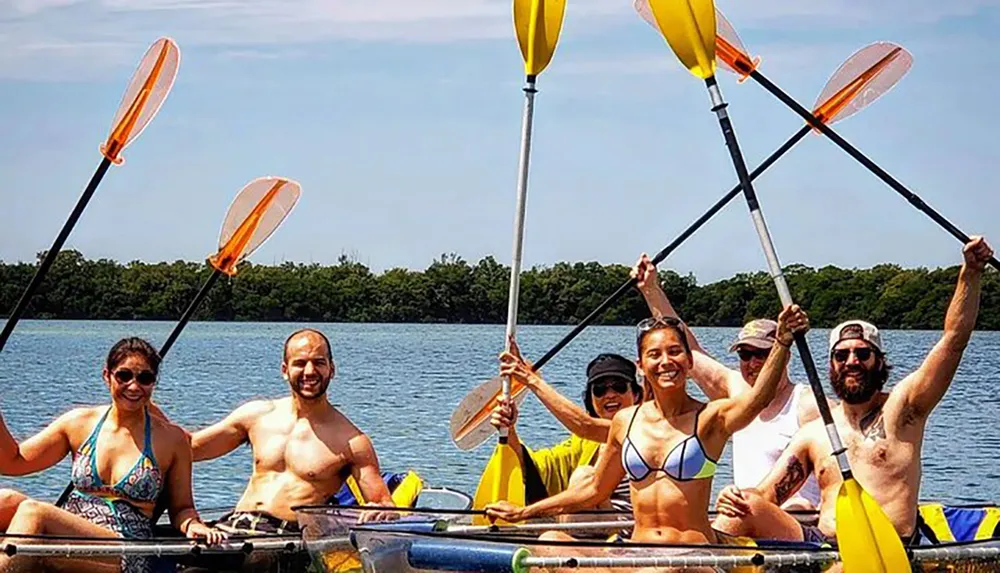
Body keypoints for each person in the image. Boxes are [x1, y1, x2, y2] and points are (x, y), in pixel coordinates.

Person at [712, 237, 993, 546]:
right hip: (823, 543)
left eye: (862, 354)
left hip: (887, 547)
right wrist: (733, 496)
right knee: (739, 511)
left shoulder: (904, 411)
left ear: (880, 362)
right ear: (831, 365)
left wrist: (971, 272)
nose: (852, 362)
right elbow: (765, 494)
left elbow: (953, 340)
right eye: (841, 355)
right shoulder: (816, 433)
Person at [486, 304, 810, 546]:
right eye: (654, 354)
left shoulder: (711, 419)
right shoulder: (626, 422)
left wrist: (782, 343)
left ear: (689, 361)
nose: (665, 361)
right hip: (638, 551)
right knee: (552, 543)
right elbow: (594, 486)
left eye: (674, 352)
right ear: (642, 366)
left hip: (691, 555)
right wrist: (524, 512)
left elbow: (756, 400)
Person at [0, 337, 224, 573]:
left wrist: (193, 525)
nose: (134, 386)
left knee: (34, 512)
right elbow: (13, 462)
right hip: (71, 528)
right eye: (124, 376)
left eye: (144, 378)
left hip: (126, 547)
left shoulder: (172, 439)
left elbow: (182, 508)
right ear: (107, 376)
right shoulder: (78, 423)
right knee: (6, 499)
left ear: (154, 383)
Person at [631, 253, 824, 511]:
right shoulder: (736, 390)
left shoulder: (808, 404)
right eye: (745, 355)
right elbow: (691, 351)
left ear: (783, 353)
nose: (753, 363)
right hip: (741, 515)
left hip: (797, 520)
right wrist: (651, 290)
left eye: (762, 354)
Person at [188, 328, 394, 535]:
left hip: (283, 537)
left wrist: (381, 511)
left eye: (319, 362)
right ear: (285, 370)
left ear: (332, 369)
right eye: (300, 363)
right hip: (234, 527)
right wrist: (153, 408)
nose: (310, 371)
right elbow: (191, 448)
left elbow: (384, 504)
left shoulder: (352, 442)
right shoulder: (256, 416)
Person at [487, 352, 642, 512]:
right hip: (587, 526)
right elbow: (534, 467)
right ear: (591, 399)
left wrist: (531, 379)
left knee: (584, 476)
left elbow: (584, 425)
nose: (610, 395)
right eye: (600, 390)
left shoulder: (644, 426)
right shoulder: (584, 443)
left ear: (636, 394)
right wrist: (508, 429)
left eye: (619, 387)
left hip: (630, 528)